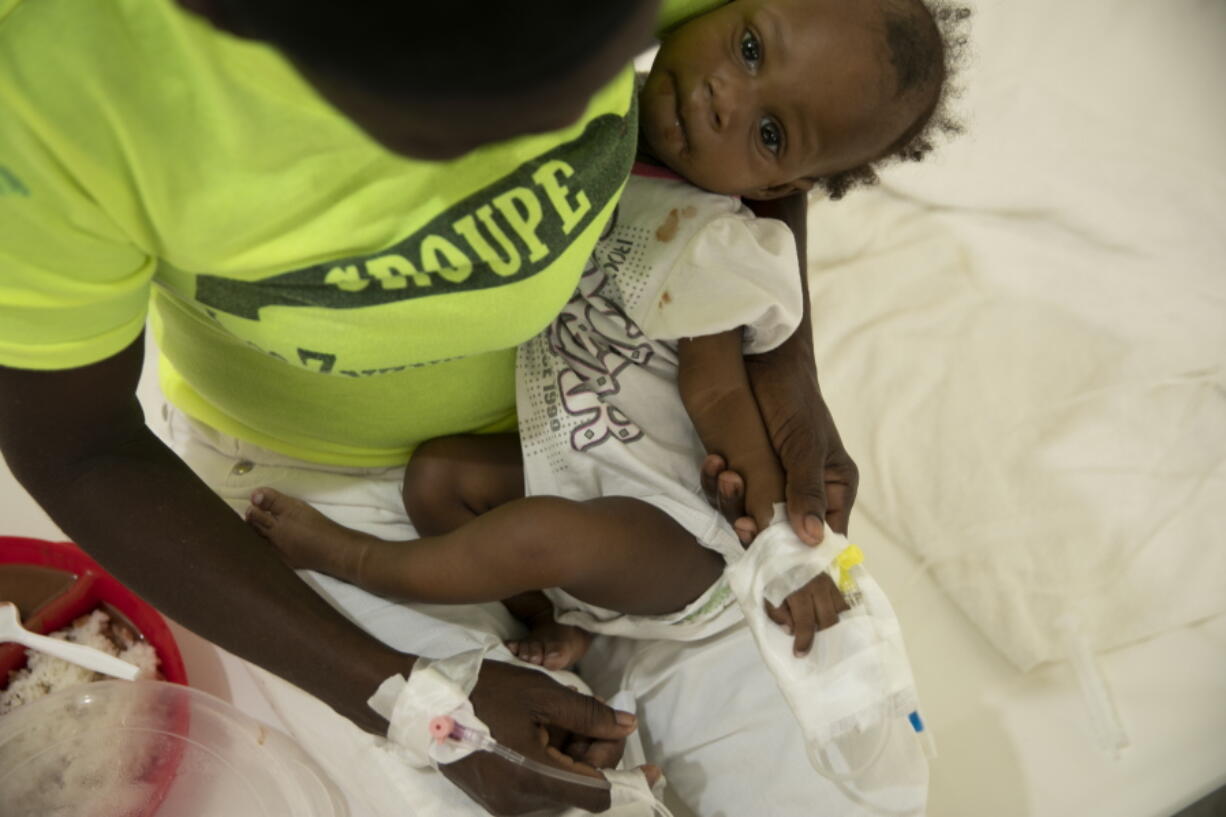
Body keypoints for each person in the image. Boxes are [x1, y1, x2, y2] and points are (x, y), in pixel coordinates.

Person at [0, 0, 951, 812]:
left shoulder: (731, 53)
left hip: (616, 408)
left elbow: (802, 107)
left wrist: (786, 368)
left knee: (846, 757)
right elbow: (79, 447)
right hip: (312, 478)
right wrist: (404, 699)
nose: (534, 148)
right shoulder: (50, 84)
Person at [242, 0, 952, 679]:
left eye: (768, 134)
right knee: (436, 480)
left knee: (542, 536)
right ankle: (549, 615)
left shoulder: (709, 241)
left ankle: (355, 561)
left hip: (677, 530)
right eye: (749, 49)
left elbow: (717, 391)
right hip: (580, 461)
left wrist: (783, 543)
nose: (724, 98)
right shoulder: (597, 115)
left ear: (784, 183)